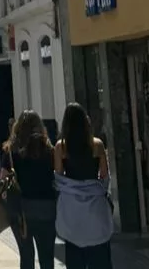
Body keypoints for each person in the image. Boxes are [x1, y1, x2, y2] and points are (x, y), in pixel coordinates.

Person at [54, 103, 113, 269]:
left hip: (72, 208)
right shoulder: (97, 145)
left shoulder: (61, 147)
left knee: (74, 257)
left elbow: (58, 176)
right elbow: (104, 175)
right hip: (95, 206)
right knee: (101, 256)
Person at [7, 110, 58, 268]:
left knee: (26, 257)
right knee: (47, 256)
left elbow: (3, 177)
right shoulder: (50, 150)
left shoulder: (12, 151)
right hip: (47, 209)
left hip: (21, 211)